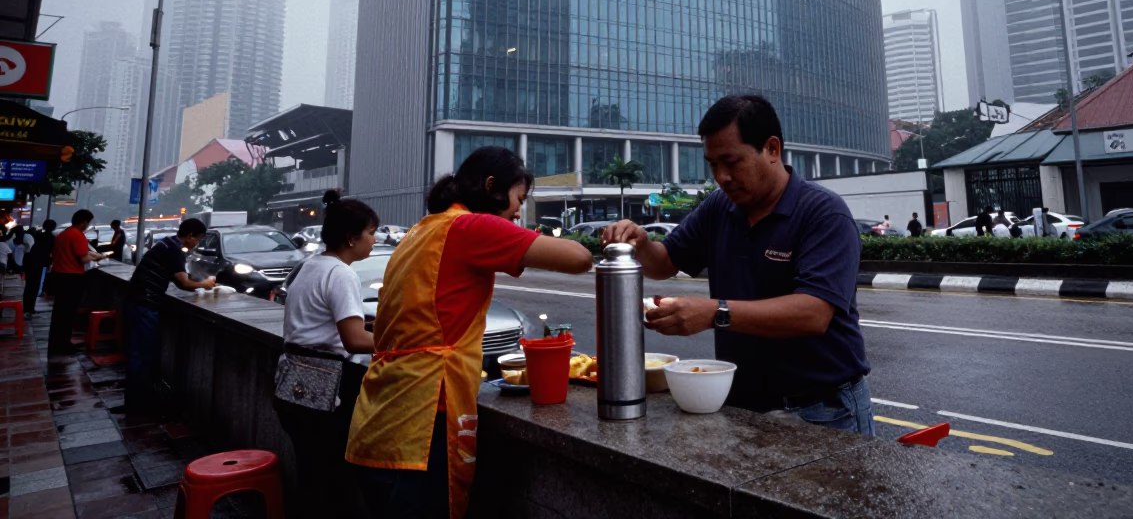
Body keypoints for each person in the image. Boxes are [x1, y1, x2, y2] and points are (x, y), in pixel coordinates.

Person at [346, 147, 593, 519]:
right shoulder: (470, 227)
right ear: (492, 186)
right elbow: (580, 258)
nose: (517, 211)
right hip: (424, 418)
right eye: (518, 199)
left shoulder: (420, 231)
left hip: (377, 418)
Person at [602, 95, 874, 433]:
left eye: (732, 162)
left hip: (822, 408)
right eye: (713, 164)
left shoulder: (822, 213)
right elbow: (665, 263)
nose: (722, 177)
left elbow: (813, 313)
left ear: (772, 149)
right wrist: (641, 243)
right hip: (741, 401)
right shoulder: (720, 207)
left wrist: (714, 313)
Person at [275, 191, 378, 518]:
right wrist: (401, 341)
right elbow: (353, 339)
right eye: (371, 233)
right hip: (325, 391)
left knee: (311, 475)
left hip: (291, 384)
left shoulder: (310, 266)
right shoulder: (342, 273)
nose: (375, 241)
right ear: (351, 238)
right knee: (333, 482)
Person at [124, 218, 216, 414]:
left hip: (136, 300)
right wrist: (206, 284)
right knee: (144, 354)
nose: (196, 244)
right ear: (190, 235)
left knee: (137, 353)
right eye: (197, 240)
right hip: (145, 304)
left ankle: (134, 402)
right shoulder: (174, 249)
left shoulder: (167, 242)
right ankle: (141, 404)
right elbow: (183, 283)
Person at [48, 209, 108, 355]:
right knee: (68, 314)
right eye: (88, 223)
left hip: (59, 276)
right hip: (72, 278)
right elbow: (84, 259)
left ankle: (56, 344)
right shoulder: (78, 236)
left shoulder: (62, 235)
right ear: (83, 222)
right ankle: (64, 346)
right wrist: (98, 258)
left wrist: (92, 255)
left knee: (59, 314)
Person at [23, 221, 56, 317]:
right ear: (53, 228)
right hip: (38, 263)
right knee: (34, 286)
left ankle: (27, 308)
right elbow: (52, 252)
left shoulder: (38, 235)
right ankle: (29, 308)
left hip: (30, 261)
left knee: (29, 286)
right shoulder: (52, 238)